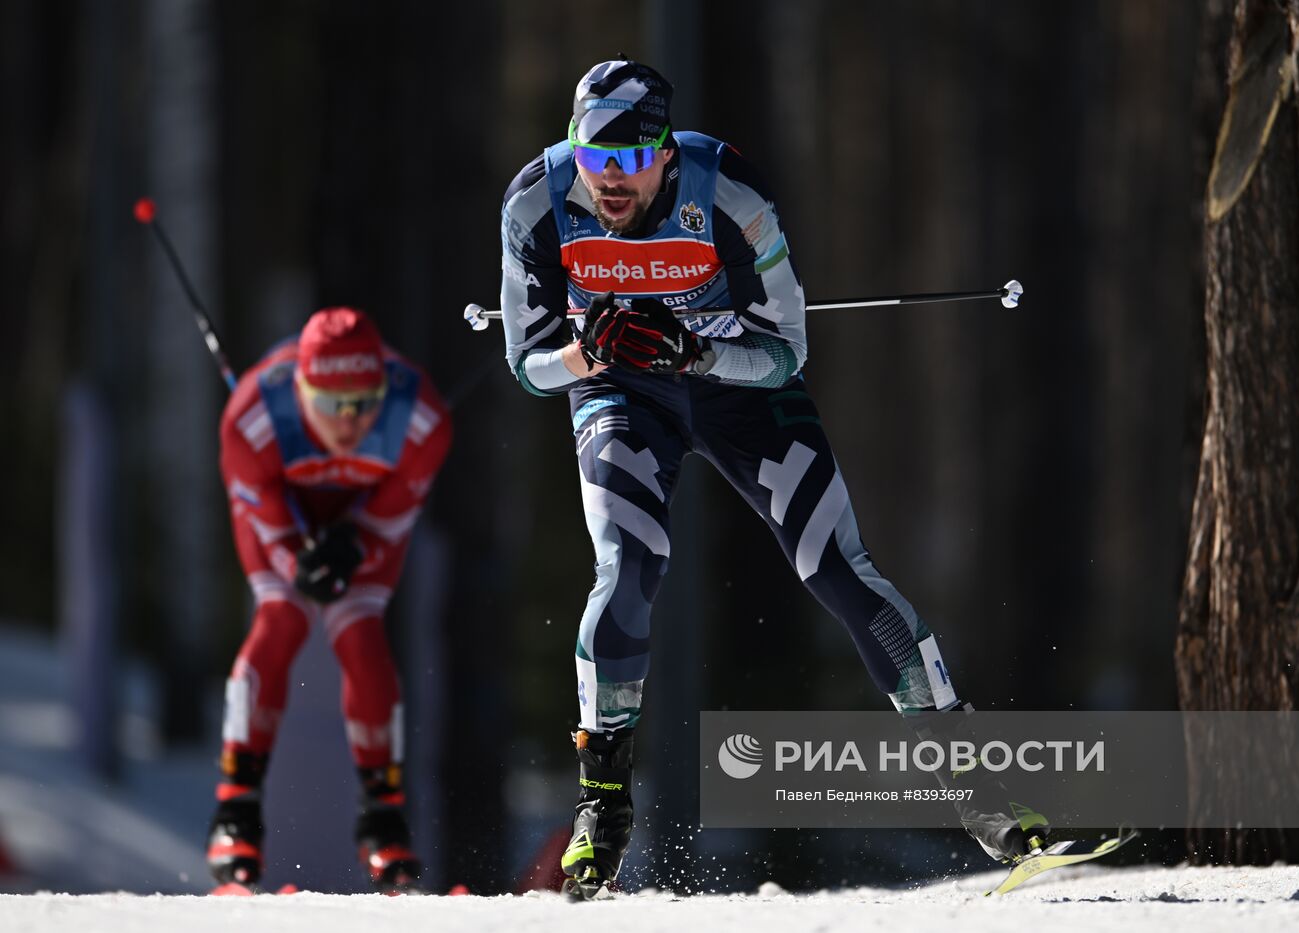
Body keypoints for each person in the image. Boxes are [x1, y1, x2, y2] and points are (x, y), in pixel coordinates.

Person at [498, 59, 1043, 897]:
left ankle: (976, 785)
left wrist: (695, 350)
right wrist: (590, 350)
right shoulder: (537, 199)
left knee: (835, 566)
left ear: (666, 155)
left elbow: (789, 348)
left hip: (739, 386)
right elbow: (526, 365)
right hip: (618, 389)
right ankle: (602, 808)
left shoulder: (729, 192)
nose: (611, 179)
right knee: (629, 565)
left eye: (632, 158)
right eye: (594, 157)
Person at [207, 307, 452, 892]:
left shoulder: (420, 418)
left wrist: (356, 542)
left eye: (364, 403)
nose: (349, 422)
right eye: (331, 405)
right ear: (301, 389)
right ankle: (234, 810)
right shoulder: (252, 418)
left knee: (361, 634)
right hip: (283, 518)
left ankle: (384, 817)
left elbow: (391, 519)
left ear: (383, 388)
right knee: (281, 619)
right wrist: (299, 557)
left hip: (363, 520)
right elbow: (265, 518)